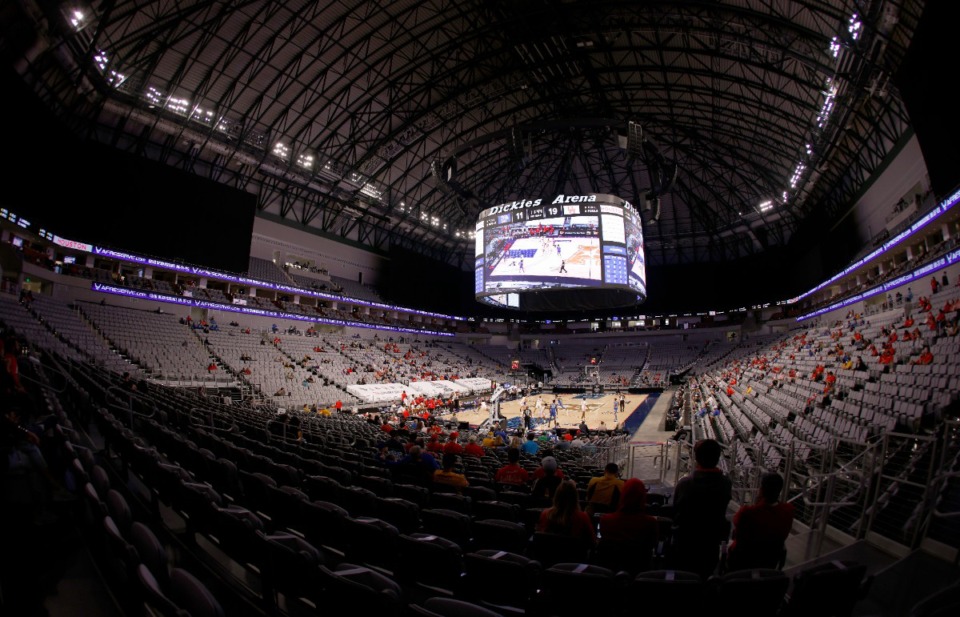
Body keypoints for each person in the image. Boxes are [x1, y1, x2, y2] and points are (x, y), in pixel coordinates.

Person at [671, 438, 733, 579]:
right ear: (717, 458)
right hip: (711, 544)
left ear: (696, 458)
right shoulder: (725, 484)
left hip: (685, 545)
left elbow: (676, 512)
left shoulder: (685, 484)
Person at [727, 472, 794, 572]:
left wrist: (756, 503)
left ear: (761, 490)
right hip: (770, 562)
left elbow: (737, 522)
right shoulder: (788, 511)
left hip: (742, 561)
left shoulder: (747, 513)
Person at [536, 480, 596, 546]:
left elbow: (540, 537)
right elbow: (592, 541)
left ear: (556, 496)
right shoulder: (582, 517)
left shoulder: (545, 514)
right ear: (575, 497)